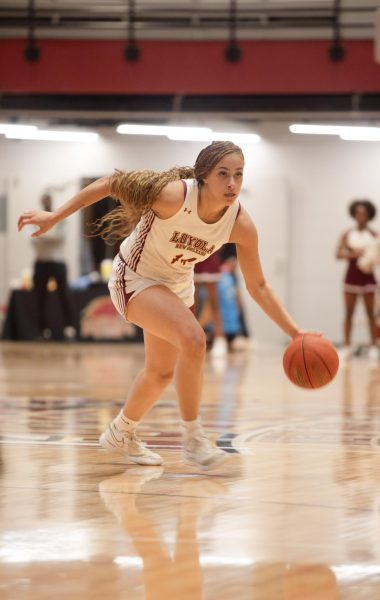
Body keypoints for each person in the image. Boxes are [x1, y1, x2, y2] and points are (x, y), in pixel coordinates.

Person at [18, 140, 309, 471]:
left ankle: (120, 432)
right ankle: (194, 437)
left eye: (239, 175)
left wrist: (295, 332)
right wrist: (55, 217)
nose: (232, 184)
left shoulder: (240, 223)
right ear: (203, 177)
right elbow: (111, 182)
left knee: (159, 374)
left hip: (176, 286)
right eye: (223, 174)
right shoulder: (174, 196)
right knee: (195, 339)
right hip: (135, 277)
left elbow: (258, 286)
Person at [336, 199, 379, 362]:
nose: (361, 216)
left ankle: (374, 347)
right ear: (354, 215)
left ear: (369, 215)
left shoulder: (375, 235)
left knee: (371, 314)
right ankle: (347, 347)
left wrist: (371, 259)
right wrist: (355, 254)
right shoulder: (347, 234)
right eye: (358, 213)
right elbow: (338, 254)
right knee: (348, 313)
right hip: (351, 276)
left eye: (364, 214)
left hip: (368, 276)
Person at [31, 193, 76, 341]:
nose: (46, 202)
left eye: (48, 199)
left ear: (51, 201)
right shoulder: (35, 218)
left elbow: (61, 238)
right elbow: (32, 238)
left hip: (57, 262)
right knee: (39, 297)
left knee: (64, 295)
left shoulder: (60, 217)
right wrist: (49, 236)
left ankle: (70, 329)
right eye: (44, 200)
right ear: (41, 202)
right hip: (41, 262)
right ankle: (41, 331)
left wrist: (42, 235)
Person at [194, 252, 228, 357]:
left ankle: (219, 339)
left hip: (209, 256)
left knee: (214, 303)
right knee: (190, 304)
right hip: (192, 259)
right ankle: (191, 337)